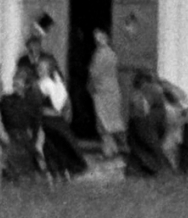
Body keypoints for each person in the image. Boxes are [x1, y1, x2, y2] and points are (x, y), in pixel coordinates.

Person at [38, 58, 87, 178]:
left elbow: (58, 104)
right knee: (56, 146)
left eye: (42, 68)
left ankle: (61, 169)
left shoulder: (48, 84)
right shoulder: (50, 83)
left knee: (58, 145)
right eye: (38, 67)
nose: (39, 70)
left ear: (48, 70)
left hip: (50, 120)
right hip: (52, 120)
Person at [123, 71, 171, 177]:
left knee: (148, 152)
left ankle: (163, 173)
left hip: (144, 124)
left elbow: (140, 109)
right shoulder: (154, 90)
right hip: (148, 125)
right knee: (143, 152)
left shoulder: (147, 90)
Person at [0, 68, 42, 182]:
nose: (15, 86)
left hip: (24, 138)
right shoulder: (6, 100)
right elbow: (3, 119)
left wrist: (34, 140)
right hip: (10, 137)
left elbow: (36, 123)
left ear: (26, 85)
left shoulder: (33, 102)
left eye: (18, 83)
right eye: (14, 83)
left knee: (25, 172)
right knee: (10, 172)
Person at [87, 28, 124, 158]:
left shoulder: (100, 54)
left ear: (106, 38)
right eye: (96, 37)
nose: (98, 39)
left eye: (101, 36)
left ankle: (108, 151)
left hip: (103, 91)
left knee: (103, 123)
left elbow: (94, 73)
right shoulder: (112, 53)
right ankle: (112, 149)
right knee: (109, 122)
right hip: (112, 90)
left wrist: (90, 86)